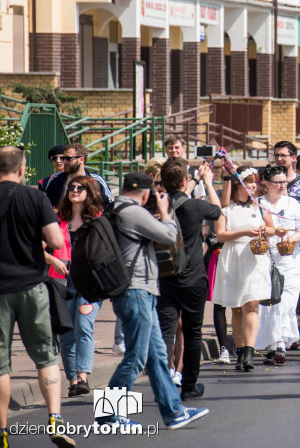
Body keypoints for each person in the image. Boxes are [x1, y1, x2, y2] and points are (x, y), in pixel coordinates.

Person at [104, 171, 209, 429]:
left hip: (140, 290)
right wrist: (165, 212)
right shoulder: (132, 212)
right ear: (146, 192)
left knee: (157, 356)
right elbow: (168, 236)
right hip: (136, 290)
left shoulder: (117, 209)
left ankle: (174, 412)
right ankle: (108, 415)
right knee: (137, 356)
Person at [0, 146, 75, 448]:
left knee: (1, 365)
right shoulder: (35, 197)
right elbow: (56, 240)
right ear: (21, 170)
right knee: (45, 356)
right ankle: (55, 419)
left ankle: (2, 432)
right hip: (32, 285)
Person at [155, 158, 221, 400]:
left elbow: (177, 194)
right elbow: (217, 211)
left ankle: (162, 385)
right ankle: (190, 386)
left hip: (164, 278)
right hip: (193, 279)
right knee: (193, 333)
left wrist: (191, 180)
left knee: (164, 333)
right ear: (185, 180)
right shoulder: (194, 207)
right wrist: (207, 182)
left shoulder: (156, 205)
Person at [212, 167, 279, 372]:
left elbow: (272, 229)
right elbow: (221, 235)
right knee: (237, 307)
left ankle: (249, 351)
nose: (252, 185)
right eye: (247, 182)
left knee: (252, 305)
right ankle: (240, 351)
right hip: (232, 258)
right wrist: (244, 232)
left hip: (254, 259)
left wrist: (265, 231)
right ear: (238, 185)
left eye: (253, 181)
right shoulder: (226, 209)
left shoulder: (259, 206)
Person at [55, 177, 106, 398]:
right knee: (67, 334)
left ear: (90, 192)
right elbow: (39, 245)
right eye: (71, 188)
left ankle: (83, 376)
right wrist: (52, 260)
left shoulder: (98, 219)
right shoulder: (58, 219)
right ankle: (73, 381)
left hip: (89, 283)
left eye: (80, 188)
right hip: (63, 282)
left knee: (84, 326)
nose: (74, 191)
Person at [256, 165, 300, 365]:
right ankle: (272, 345)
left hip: (289, 260)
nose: (282, 186)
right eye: (278, 182)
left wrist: (290, 238)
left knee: (286, 303)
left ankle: (279, 344)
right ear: (267, 184)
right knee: (269, 304)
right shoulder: (259, 204)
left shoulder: (293, 204)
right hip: (265, 260)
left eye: (284, 182)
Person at [41, 143, 113, 209]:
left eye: (68, 159)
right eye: (63, 158)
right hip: (61, 222)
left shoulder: (96, 180)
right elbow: (44, 207)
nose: (64, 162)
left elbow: (108, 206)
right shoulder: (54, 180)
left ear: (81, 159)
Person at [273, 141, 300, 212]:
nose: (279, 159)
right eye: (277, 155)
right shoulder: (268, 181)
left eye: (283, 156)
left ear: (293, 158)